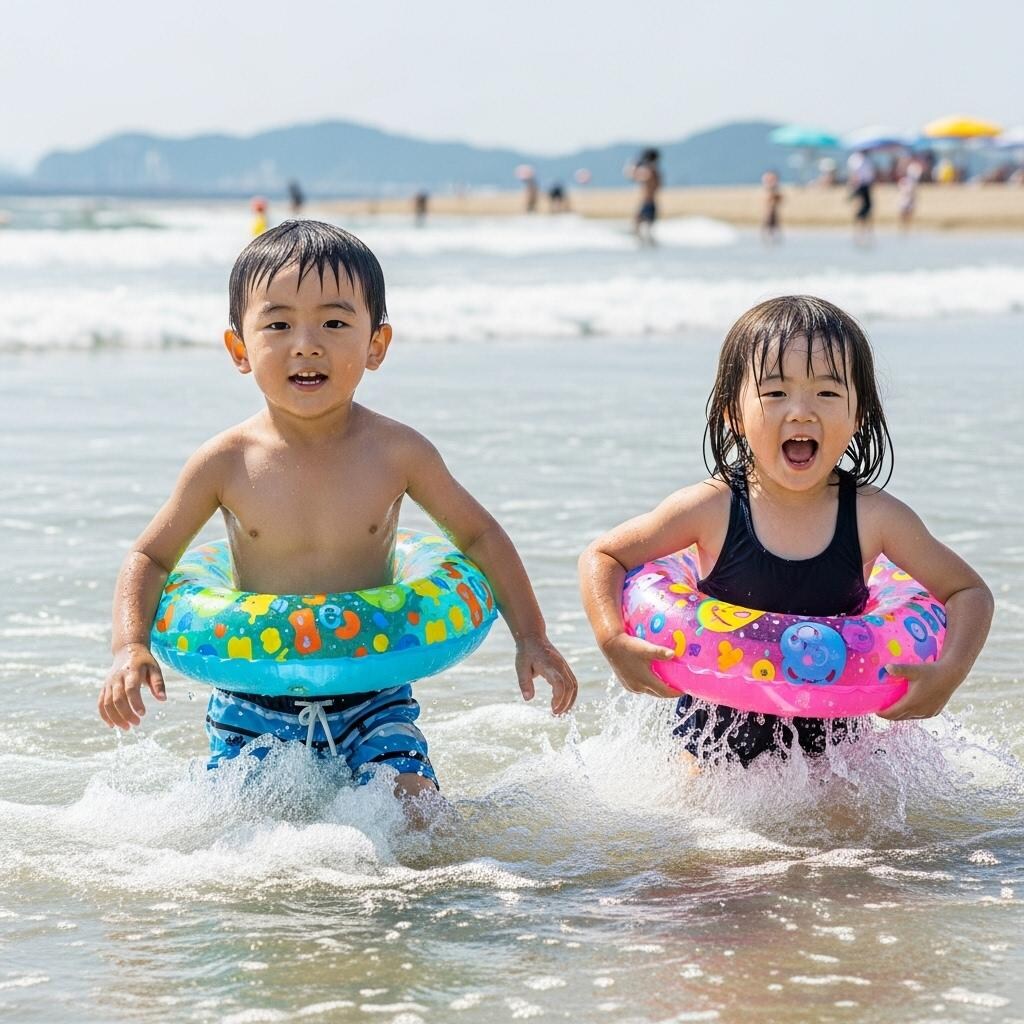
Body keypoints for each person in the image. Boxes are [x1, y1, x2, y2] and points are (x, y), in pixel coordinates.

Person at [97, 220, 577, 814]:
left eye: (334, 322)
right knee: (245, 848)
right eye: (277, 324)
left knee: (415, 821)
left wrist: (533, 637)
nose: (306, 343)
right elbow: (151, 556)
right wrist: (129, 646)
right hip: (254, 693)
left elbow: (478, 534)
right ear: (239, 350)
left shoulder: (399, 453)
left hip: (372, 691)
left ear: (376, 344)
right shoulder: (224, 462)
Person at [578, 295, 993, 769]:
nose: (800, 411)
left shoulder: (876, 517)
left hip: (834, 757)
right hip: (711, 752)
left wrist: (950, 671)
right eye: (775, 393)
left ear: (859, 418)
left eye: (828, 393)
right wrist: (611, 638)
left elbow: (969, 591)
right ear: (733, 413)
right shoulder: (710, 507)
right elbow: (604, 557)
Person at [625, 148, 662, 245]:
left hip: (647, 203)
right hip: (651, 203)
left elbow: (633, 176)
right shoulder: (656, 172)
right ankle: (648, 245)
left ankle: (643, 245)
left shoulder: (650, 171)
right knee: (646, 228)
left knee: (638, 225)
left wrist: (634, 166)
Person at [846, 151, 876, 244]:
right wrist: (854, 185)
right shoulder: (856, 159)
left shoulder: (865, 159)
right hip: (860, 185)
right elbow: (854, 173)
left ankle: (865, 229)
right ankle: (858, 230)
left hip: (865, 185)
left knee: (868, 207)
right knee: (861, 207)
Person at [761, 170, 783, 244]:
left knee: (773, 222)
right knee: (768, 222)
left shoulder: (775, 189)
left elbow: (779, 199)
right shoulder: (770, 189)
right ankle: (768, 237)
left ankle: (773, 238)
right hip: (770, 209)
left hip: (773, 209)